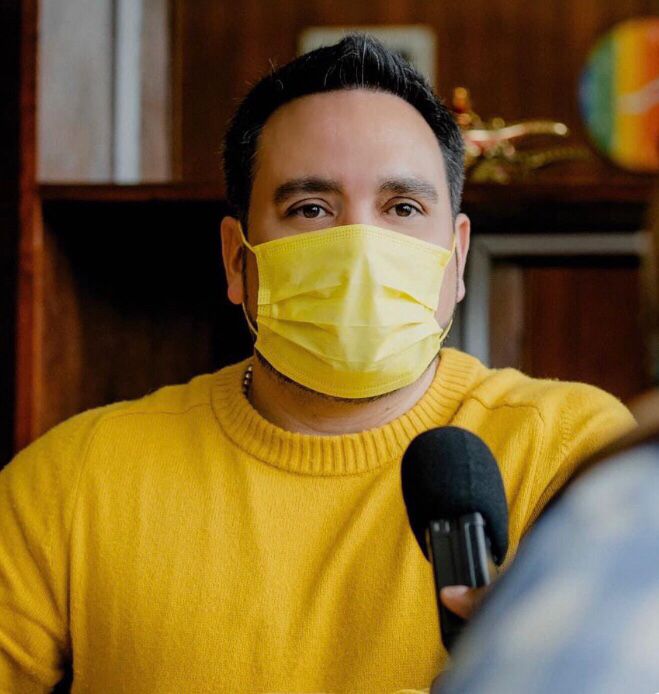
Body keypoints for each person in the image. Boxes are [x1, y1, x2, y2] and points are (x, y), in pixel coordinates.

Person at [0, 35, 635, 693]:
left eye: (402, 208)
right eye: (310, 209)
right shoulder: (75, 480)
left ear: (457, 256)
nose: (360, 249)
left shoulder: (573, 456)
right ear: (236, 259)